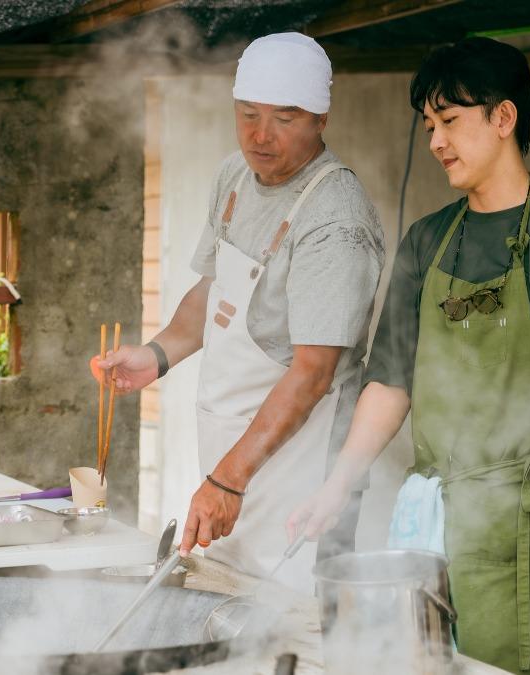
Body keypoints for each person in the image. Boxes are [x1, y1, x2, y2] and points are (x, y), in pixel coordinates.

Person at [288, 37, 530, 673]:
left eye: (450, 121)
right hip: (441, 534)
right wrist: (336, 485)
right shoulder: (428, 242)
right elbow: (390, 386)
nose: (437, 141)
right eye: (430, 126)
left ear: (504, 119)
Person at [93, 32, 384, 592]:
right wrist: (156, 355)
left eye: (284, 118)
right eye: (248, 114)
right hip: (235, 466)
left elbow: (313, 373)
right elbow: (214, 291)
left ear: (321, 119)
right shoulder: (234, 176)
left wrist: (228, 481)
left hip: (304, 478)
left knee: (294, 631)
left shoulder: (336, 219)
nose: (260, 135)